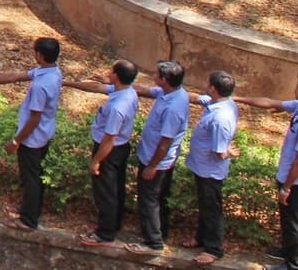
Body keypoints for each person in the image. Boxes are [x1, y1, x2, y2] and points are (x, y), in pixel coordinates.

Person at [235, 71, 298, 270]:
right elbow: (270, 103)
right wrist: (237, 98)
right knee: (290, 219)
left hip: (296, 180)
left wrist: (287, 187)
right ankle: (289, 251)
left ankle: (294, 264)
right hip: (290, 176)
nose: (295, 89)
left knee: (294, 221)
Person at [0, 36, 63, 231]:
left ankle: (28, 220)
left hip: (32, 139)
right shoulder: (52, 72)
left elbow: (34, 118)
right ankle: (31, 210)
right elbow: (15, 77)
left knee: (31, 178)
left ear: (40, 55)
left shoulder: (40, 86)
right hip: (44, 133)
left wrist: (16, 141)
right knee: (35, 175)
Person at [78, 59, 141, 247]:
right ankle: (114, 224)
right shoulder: (129, 92)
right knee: (116, 189)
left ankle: (105, 234)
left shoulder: (117, 107)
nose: (108, 72)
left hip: (109, 151)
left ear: (117, 76)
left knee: (106, 193)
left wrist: (96, 161)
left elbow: (109, 139)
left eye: (111, 71)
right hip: (121, 148)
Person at [132, 61, 191, 252]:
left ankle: (153, 243)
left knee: (148, 200)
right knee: (160, 196)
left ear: (164, 79)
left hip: (156, 160)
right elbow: (146, 91)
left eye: (156, 74)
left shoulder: (173, 107)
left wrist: (152, 166)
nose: (153, 76)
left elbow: (165, 142)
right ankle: (161, 231)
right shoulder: (172, 93)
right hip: (160, 159)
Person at [182, 70, 240, 265]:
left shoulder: (221, 117)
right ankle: (201, 238)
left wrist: (229, 152)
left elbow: (219, 153)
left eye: (208, 84)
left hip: (210, 171)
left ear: (214, 89)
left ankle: (214, 249)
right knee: (205, 206)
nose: (205, 86)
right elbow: (197, 98)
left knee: (211, 210)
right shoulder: (219, 103)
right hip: (202, 168)